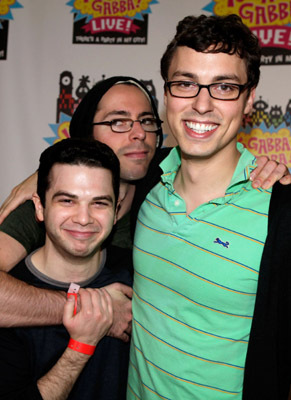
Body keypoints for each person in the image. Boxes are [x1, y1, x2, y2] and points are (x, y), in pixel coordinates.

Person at [0, 75, 286, 331]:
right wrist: (91, 310)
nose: (138, 134)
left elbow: (219, 159)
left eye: (147, 121)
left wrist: (268, 171)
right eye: (118, 122)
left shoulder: (161, 179)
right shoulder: (51, 209)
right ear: (87, 134)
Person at [127, 14, 291, 400]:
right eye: (186, 83)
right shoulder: (144, 180)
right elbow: (79, 169)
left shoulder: (280, 212)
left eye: (224, 87)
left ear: (249, 99)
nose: (202, 104)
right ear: (166, 94)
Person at [0, 138, 132, 399]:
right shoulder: (11, 305)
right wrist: (81, 345)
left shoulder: (137, 276)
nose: (84, 218)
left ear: (116, 212)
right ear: (40, 207)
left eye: (99, 203)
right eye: (67, 201)